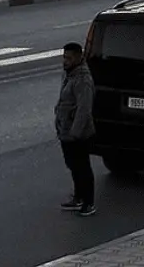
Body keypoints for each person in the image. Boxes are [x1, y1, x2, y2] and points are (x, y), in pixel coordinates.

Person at [56, 42, 97, 216]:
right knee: (73, 166)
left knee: (82, 168)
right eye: (64, 57)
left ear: (79, 58)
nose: (65, 61)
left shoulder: (82, 79)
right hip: (66, 131)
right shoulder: (70, 75)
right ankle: (78, 197)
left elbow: (84, 109)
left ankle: (89, 202)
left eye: (69, 58)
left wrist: (75, 133)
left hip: (77, 134)